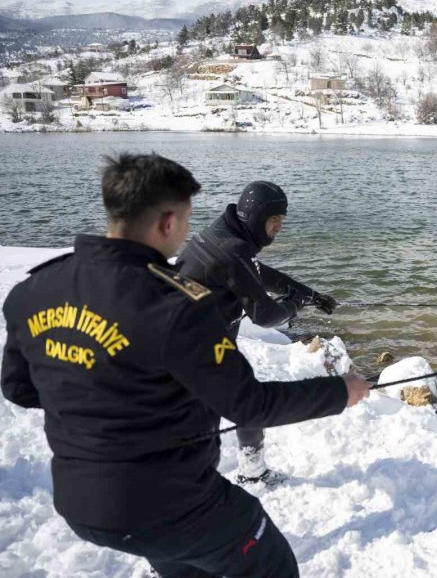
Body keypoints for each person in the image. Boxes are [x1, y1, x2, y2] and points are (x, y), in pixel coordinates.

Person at [1, 153, 372, 578]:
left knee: (182, 563)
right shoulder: (177, 306)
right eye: (186, 218)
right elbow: (249, 405)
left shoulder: (33, 290)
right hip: (168, 502)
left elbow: (20, 389)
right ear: (167, 221)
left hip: (78, 504)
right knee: (273, 564)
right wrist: (340, 391)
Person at [177, 181, 338, 485]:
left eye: (282, 220)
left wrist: (309, 294)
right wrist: (294, 305)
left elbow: (257, 273)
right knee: (246, 403)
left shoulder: (221, 233)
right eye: (273, 220)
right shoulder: (232, 249)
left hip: (188, 335)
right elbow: (264, 316)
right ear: (254, 217)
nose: (279, 227)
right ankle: (249, 474)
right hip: (202, 346)